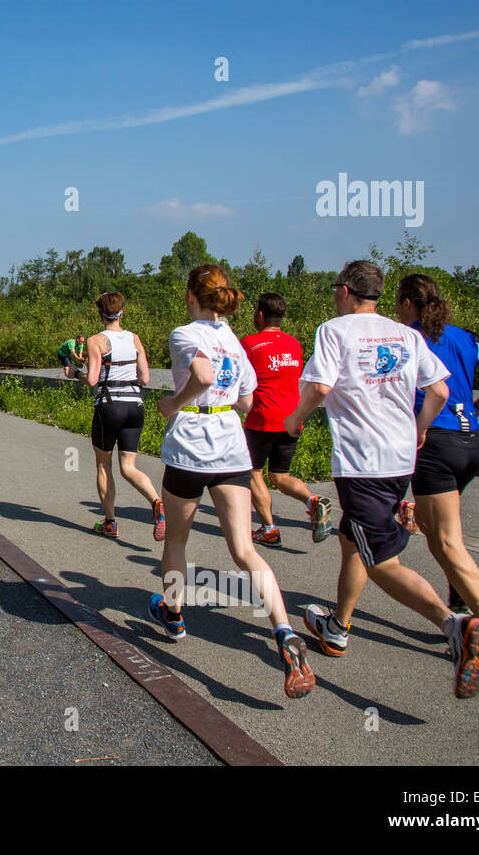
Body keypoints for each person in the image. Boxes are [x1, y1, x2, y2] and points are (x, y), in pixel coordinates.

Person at [285, 260, 479, 699]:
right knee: (352, 538)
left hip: (364, 462)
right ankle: (337, 626)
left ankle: (455, 624)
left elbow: (321, 388)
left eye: (335, 288)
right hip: (401, 459)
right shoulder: (408, 334)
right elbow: (438, 389)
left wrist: (295, 419)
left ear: (345, 291)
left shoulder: (335, 330)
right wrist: (418, 429)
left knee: (380, 561)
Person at [150, 266, 315, 700]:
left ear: (191, 296)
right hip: (230, 446)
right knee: (243, 550)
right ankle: (284, 631)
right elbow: (245, 399)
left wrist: (174, 402)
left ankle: (173, 614)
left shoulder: (185, 334)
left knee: (178, 541)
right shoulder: (237, 344)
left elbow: (202, 376)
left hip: (190, 444)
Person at [395, 273, 479, 665]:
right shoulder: (467, 337)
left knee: (447, 542)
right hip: (470, 443)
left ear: (406, 304)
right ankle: (461, 600)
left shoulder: (408, 338)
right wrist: (477, 409)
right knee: (439, 533)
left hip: (433, 442)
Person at [240, 293, 332, 546]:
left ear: (259, 314)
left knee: (252, 472)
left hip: (262, 417)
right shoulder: (294, 344)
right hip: (292, 416)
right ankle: (312, 500)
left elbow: (240, 379)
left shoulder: (249, 343)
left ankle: (269, 528)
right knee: (280, 475)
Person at [71, 294, 165, 543]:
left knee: (104, 465)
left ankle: (110, 522)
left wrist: (75, 373)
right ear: (122, 313)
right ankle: (156, 502)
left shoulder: (96, 341)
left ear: (101, 315)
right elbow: (145, 378)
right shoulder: (134, 338)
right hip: (135, 405)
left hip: (109, 405)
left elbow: (92, 380)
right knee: (129, 467)